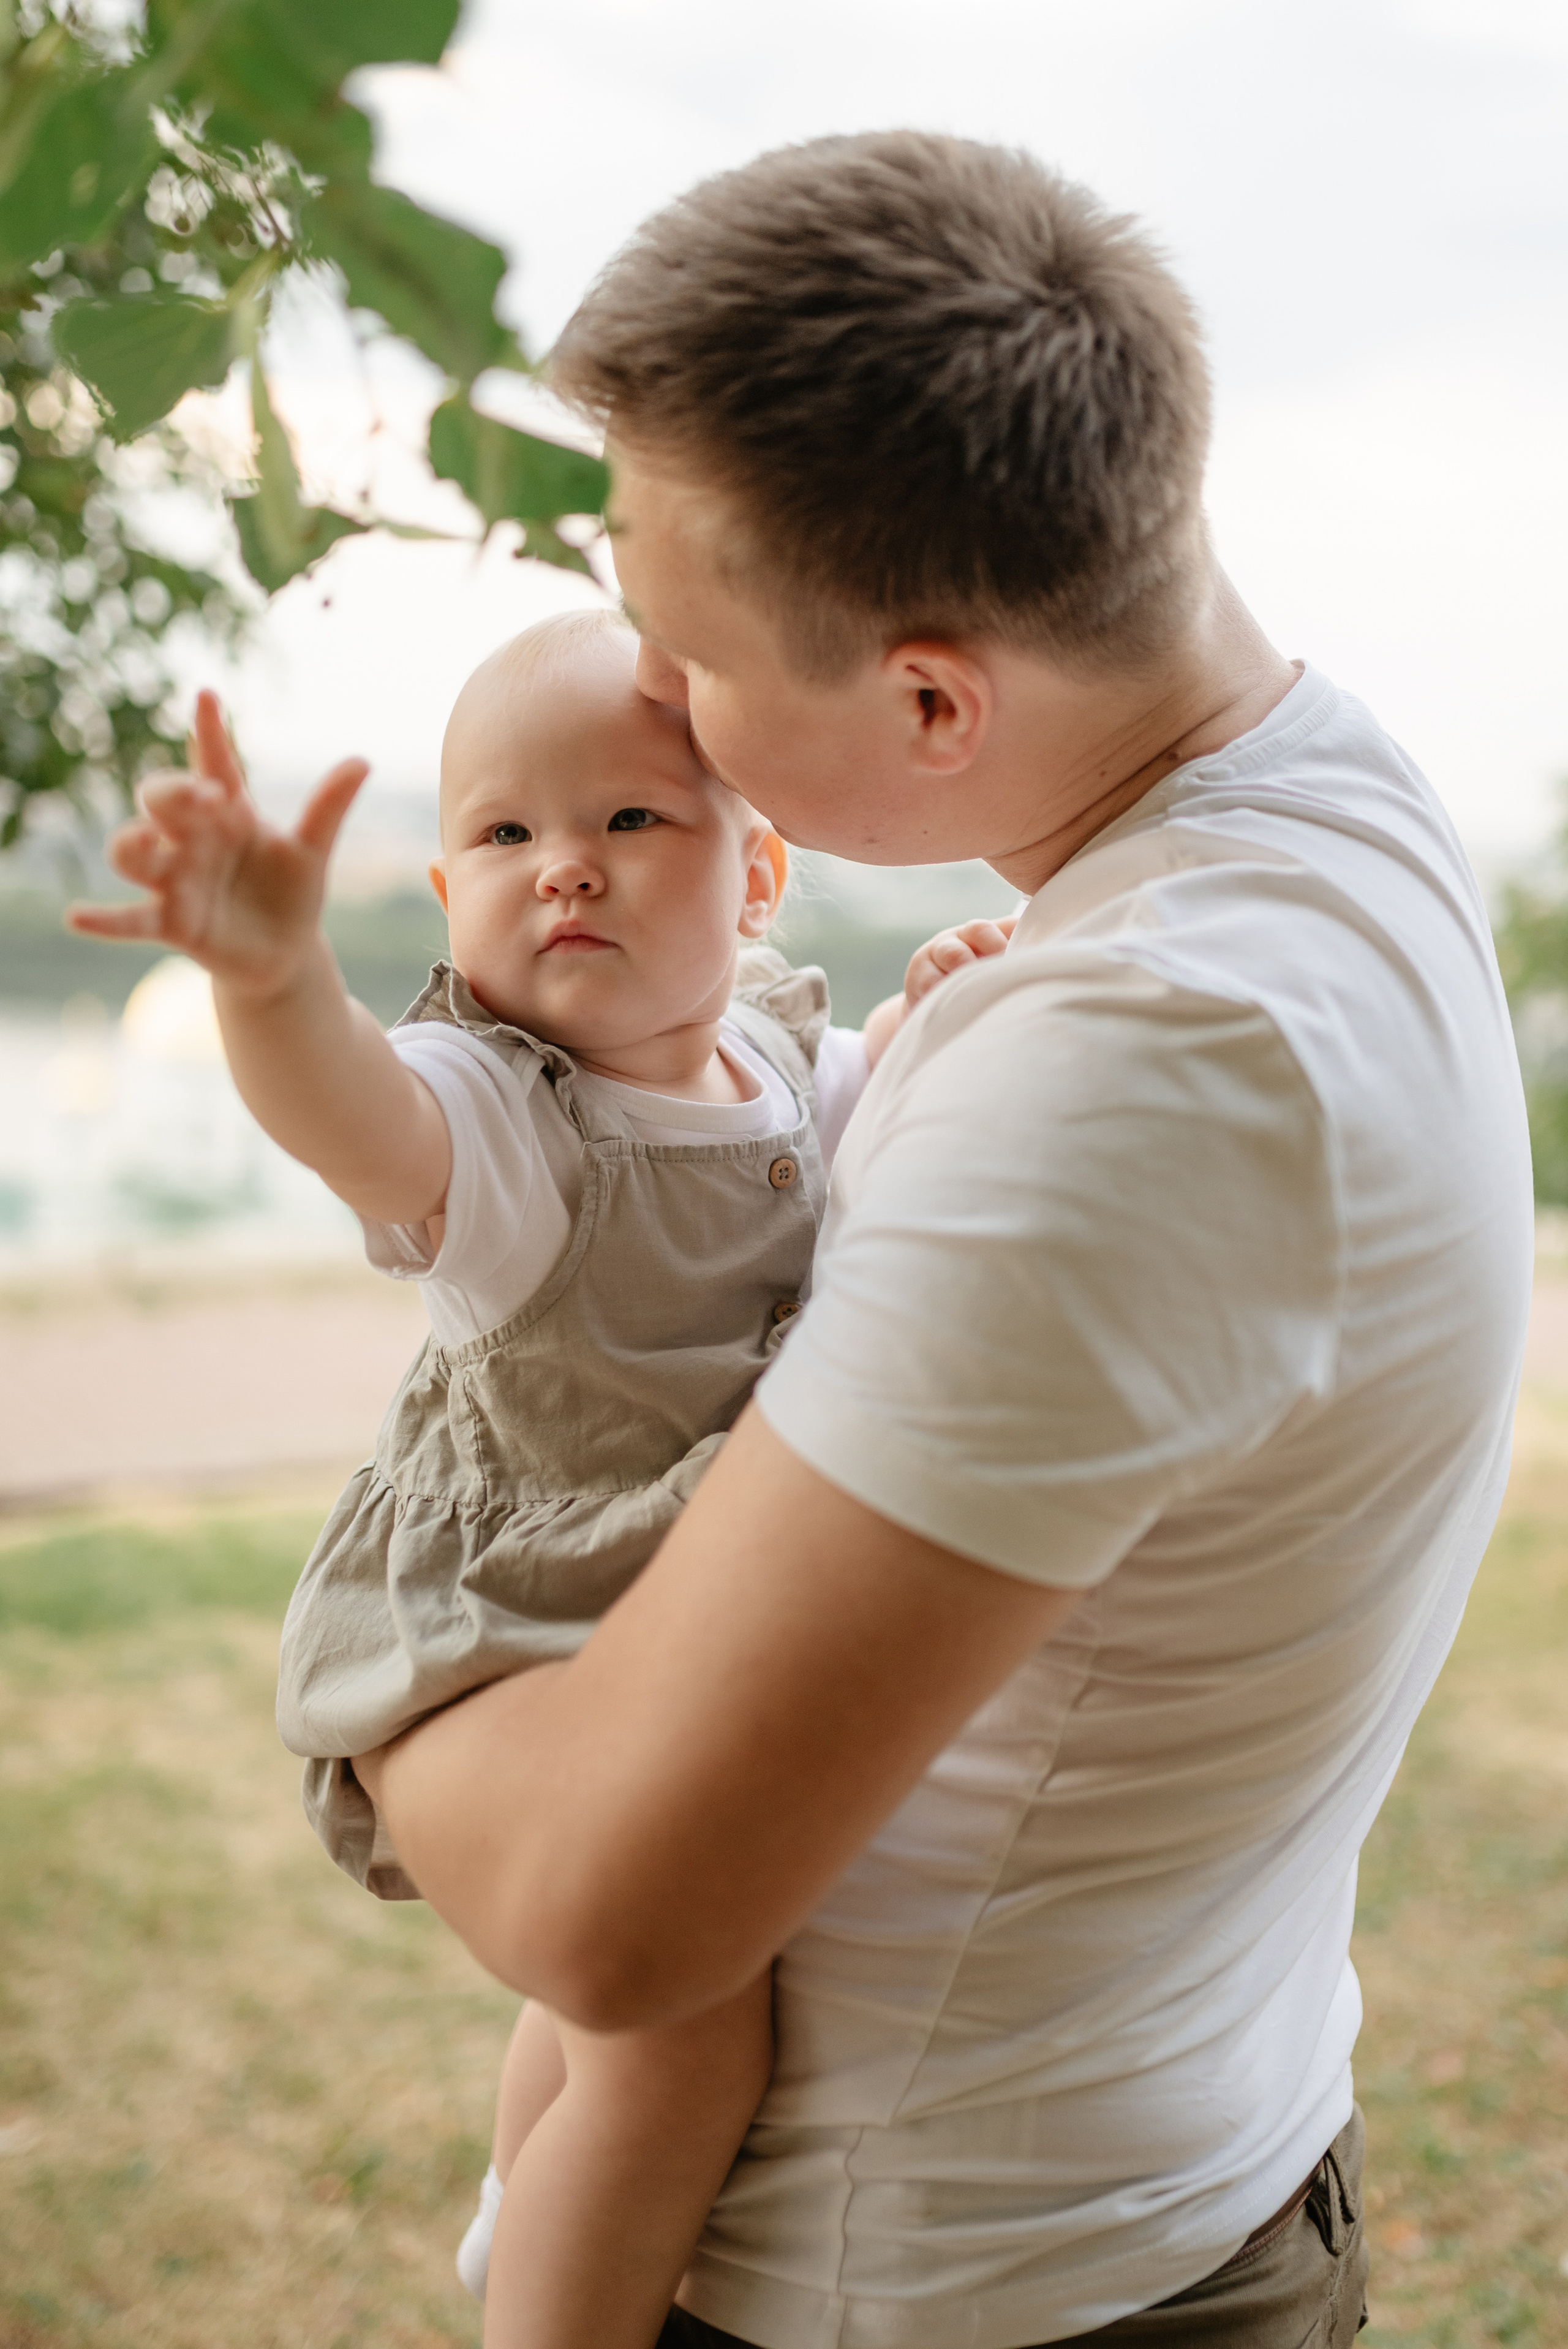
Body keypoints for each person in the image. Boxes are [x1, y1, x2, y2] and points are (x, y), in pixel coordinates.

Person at [347, 132, 1534, 2348]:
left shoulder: (1139, 1066)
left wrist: (379, 1667)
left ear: (926, 704)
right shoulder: (1325, 792)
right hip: (1150, 2166)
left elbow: (617, 1914)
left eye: (688, 662)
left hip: (967, 2285)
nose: (666, 707)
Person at [67, 609, 1014, 2348]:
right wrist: (274, 985)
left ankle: (528, 2207)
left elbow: (885, 1150)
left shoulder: (791, 1057)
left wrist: (939, 1019)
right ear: (445, 900)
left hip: (678, 1599)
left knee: (608, 2014)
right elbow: (365, 1115)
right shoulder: (505, 1122)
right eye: (504, 836)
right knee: (682, 2034)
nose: (563, 869)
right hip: (518, 1608)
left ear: (759, 873)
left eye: (630, 822)